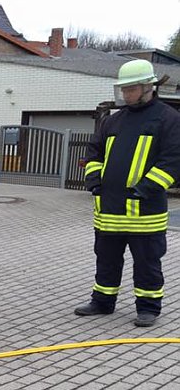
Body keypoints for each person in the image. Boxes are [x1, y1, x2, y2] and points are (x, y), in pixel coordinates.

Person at [76, 59, 180, 327]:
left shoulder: (168, 119)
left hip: (145, 213)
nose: (126, 94)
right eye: (123, 89)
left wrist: (144, 189)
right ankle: (102, 301)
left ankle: (148, 308)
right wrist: (95, 183)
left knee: (147, 263)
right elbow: (94, 153)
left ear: (148, 87)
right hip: (109, 210)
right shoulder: (113, 120)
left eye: (131, 89)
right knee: (106, 260)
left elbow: (172, 161)